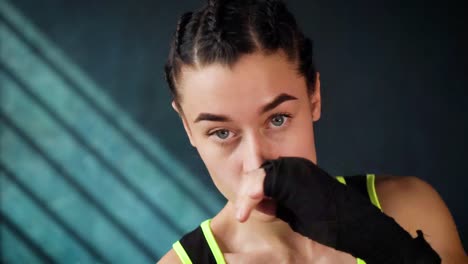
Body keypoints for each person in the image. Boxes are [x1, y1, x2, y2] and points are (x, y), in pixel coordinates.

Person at [158, 0, 467, 263]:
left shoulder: (410, 208)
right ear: (187, 127)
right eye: (222, 133)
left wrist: (383, 244)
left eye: (277, 119)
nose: (256, 164)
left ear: (314, 97)